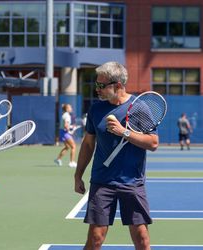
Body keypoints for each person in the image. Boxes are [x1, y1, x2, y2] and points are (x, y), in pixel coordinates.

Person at [74, 62, 158, 250]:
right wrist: (78, 175)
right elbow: (88, 144)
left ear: (118, 85)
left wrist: (124, 132)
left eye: (101, 86)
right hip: (102, 182)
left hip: (132, 182)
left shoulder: (139, 108)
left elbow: (153, 143)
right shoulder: (96, 109)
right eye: (96, 85)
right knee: (95, 238)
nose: (97, 89)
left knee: (142, 238)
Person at [54, 104, 77, 168]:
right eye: (70, 107)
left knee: (67, 147)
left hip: (62, 132)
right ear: (67, 109)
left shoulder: (64, 115)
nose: (71, 108)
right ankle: (71, 162)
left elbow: (65, 126)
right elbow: (66, 126)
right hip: (65, 133)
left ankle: (58, 159)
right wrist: (71, 130)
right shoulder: (67, 115)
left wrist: (70, 128)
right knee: (73, 146)